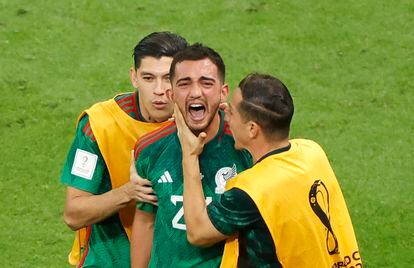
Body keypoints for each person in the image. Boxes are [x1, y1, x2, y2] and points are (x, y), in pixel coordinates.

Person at [175, 73, 363, 267]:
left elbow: (198, 232)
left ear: (252, 130)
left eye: (231, 111)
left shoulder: (251, 191)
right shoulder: (312, 151)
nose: (225, 114)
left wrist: (189, 156)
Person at [60, 31, 188, 267]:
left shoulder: (204, 124)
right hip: (108, 260)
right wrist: (129, 192)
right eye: (148, 78)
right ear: (134, 77)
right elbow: (73, 214)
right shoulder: (99, 125)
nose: (159, 90)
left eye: (168, 78)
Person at [130, 43, 253, 267]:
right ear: (171, 93)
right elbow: (146, 220)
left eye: (206, 83)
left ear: (223, 91)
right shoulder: (150, 149)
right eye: (184, 84)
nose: (196, 92)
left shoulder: (246, 150)